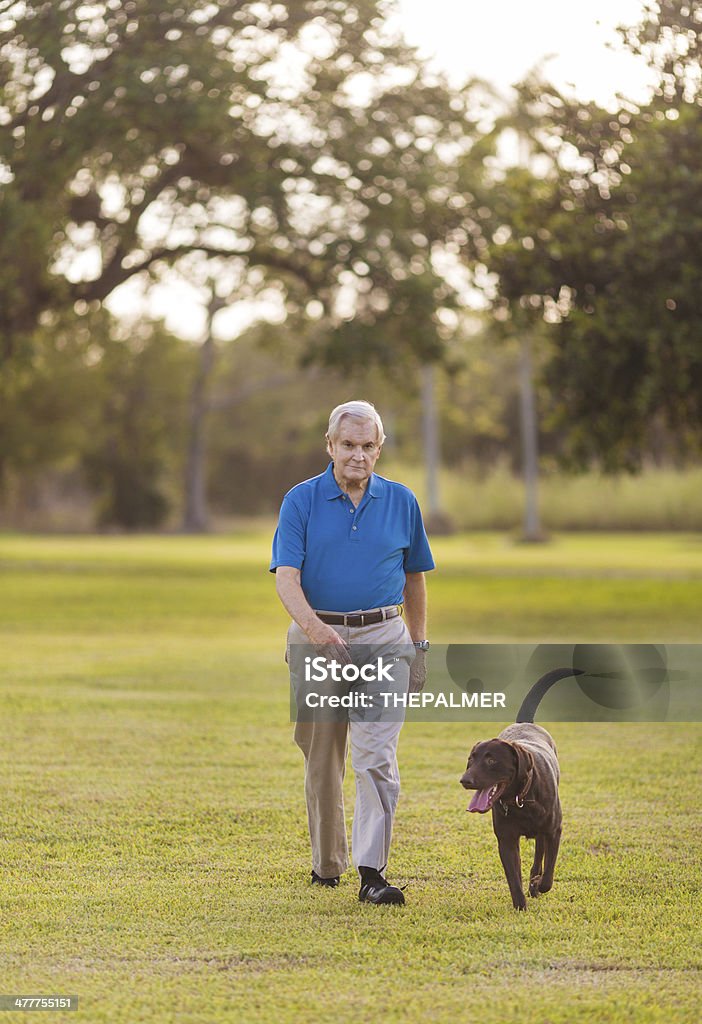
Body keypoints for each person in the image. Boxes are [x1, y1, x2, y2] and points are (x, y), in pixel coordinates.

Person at [270, 400, 434, 906]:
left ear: (379, 450)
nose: (357, 455)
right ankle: (328, 865)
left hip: (385, 637)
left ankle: (372, 873)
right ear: (330, 446)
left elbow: (414, 579)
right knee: (322, 758)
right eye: (348, 445)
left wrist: (420, 644)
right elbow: (287, 579)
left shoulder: (402, 501)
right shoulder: (301, 501)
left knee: (375, 756)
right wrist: (316, 630)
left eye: (367, 446)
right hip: (319, 639)